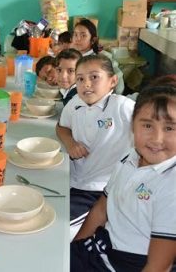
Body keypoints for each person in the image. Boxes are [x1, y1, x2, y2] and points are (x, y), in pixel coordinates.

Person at [71, 83, 176, 272]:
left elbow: (159, 266)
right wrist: (74, 248)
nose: (156, 138)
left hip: (131, 264)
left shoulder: (171, 185)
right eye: (147, 125)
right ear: (132, 125)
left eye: (169, 128)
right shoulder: (130, 156)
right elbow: (101, 209)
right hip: (102, 249)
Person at [56, 54, 135, 238]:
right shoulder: (75, 104)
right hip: (72, 179)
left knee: (58, 231)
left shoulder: (122, 107)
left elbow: (151, 126)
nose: (86, 84)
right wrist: (70, 143)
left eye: (94, 77)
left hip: (99, 190)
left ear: (112, 81)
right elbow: (61, 127)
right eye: (80, 79)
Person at [72, 19, 125, 94]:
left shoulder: (103, 59)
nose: (78, 39)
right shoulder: (72, 58)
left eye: (83, 35)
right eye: (75, 35)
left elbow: (119, 84)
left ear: (93, 40)